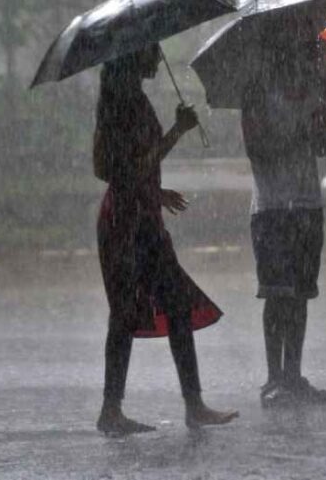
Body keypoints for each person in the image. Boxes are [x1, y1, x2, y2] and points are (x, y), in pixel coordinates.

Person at [93, 44, 237, 436]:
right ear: (132, 56)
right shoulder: (117, 104)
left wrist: (156, 192)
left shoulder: (134, 99)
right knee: (124, 314)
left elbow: (139, 165)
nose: (158, 59)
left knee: (175, 305)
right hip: (125, 222)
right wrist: (176, 130)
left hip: (144, 217)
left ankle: (193, 405)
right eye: (151, 52)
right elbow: (108, 168)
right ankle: (112, 411)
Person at [241, 49, 326, 408]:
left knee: (299, 295)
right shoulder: (256, 92)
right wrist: (305, 131)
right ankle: (274, 378)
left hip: (306, 204)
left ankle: (294, 375)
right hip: (272, 207)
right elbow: (258, 149)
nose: (306, 56)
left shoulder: (312, 89)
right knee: (276, 293)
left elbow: (319, 149)